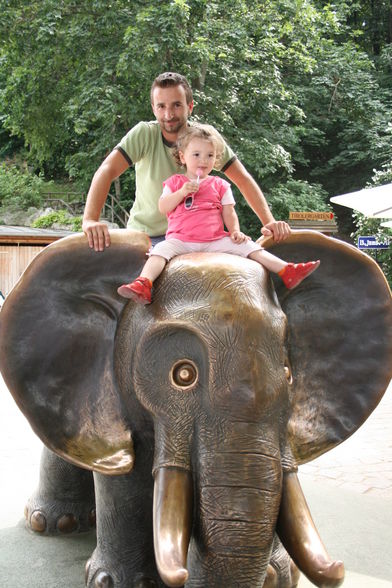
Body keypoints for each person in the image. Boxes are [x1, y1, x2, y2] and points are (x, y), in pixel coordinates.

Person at [82, 71, 292, 252]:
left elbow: (243, 179)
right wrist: (90, 219)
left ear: (190, 106)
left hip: (197, 239)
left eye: (176, 105)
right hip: (147, 236)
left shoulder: (204, 137)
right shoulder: (144, 133)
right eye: (161, 106)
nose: (168, 114)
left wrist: (269, 222)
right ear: (154, 108)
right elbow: (107, 170)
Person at [117, 124, 320, 304]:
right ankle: (144, 283)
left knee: (250, 247)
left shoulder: (220, 184)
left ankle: (287, 270)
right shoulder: (175, 183)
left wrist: (235, 231)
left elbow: (228, 212)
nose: (203, 160)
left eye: (210, 155)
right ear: (182, 157)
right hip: (181, 240)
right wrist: (182, 192)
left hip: (214, 239)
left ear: (215, 159)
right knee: (159, 251)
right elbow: (163, 207)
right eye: (196, 155)